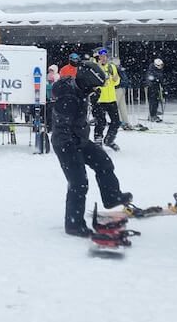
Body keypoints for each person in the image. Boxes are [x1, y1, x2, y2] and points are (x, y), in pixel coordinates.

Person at [51, 59, 133, 236]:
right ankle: (73, 225)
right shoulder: (68, 98)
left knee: (103, 162)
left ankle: (112, 197)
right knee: (79, 183)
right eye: (94, 86)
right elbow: (63, 128)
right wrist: (73, 152)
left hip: (79, 139)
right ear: (87, 81)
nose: (95, 90)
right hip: (66, 144)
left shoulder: (79, 90)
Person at [91, 48, 122, 148]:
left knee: (116, 121)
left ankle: (109, 139)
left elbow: (116, 82)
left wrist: (115, 79)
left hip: (111, 98)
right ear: (98, 57)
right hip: (99, 99)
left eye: (105, 57)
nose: (103, 59)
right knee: (101, 121)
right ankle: (98, 139)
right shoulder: (95, 67)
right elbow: (92, 81)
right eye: (101, 57)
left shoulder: (111, 67)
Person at [145, 58, 164, 122]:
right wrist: (154, 81)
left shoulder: (159, 70)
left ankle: (154, 114)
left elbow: (160, 78)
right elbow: (149, 79)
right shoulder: (151, 70)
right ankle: (152, 115)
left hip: (157, 88)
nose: (161, 67)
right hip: (152, 88)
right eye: (160, 65)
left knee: (156, 101)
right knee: (152, 102)